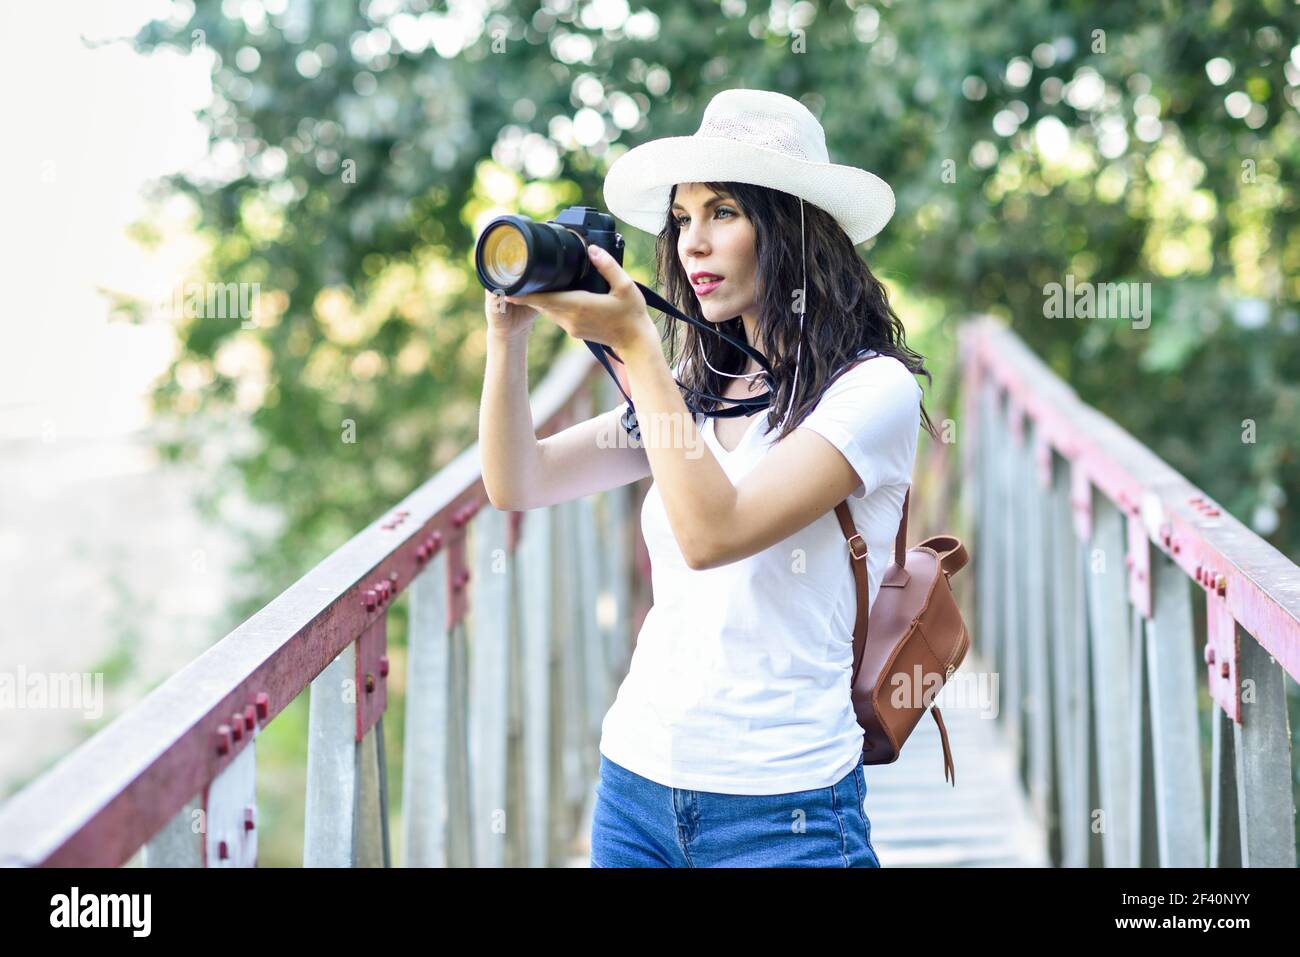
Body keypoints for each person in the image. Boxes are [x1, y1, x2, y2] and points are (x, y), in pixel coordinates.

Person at [479, 89, 939, 867]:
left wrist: (635, 346)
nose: (693, 242)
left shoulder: (873, 392)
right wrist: (508, 337)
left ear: (792, 228)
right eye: (683, 218)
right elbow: (518, 479)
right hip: (635, 790)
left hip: (784, 810)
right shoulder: (700, 390)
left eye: (723, 212)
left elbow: (712, 532)